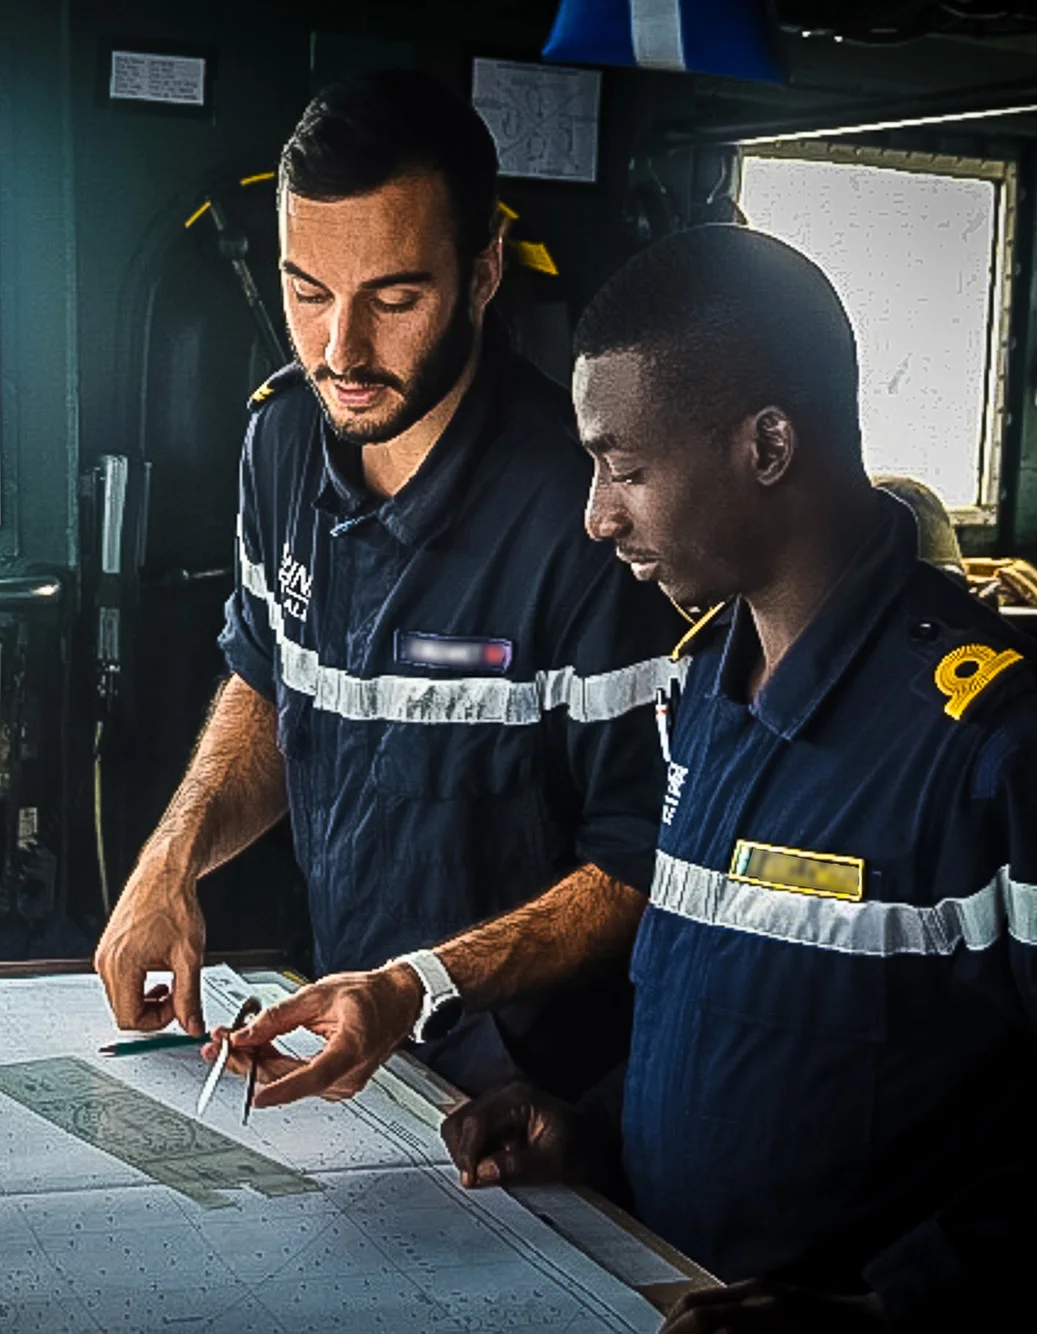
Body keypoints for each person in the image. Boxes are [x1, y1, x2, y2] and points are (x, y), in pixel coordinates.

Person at [439, 225, 1037, 1331]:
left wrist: (876, 1310)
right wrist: (594, 1127)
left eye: (623, 467)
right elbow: (730, 1020)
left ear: (766, 447)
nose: (595, 514)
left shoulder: (1014, 752)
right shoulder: (706, 696)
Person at [93, 70, 685, 1101]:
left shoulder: (588, 505)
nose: (338, 349)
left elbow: (650, 859)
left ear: (485, 269)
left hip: (531, 1103)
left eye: (394, 298)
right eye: (306, 291)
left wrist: (420, 983)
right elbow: (270, 683)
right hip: (349, 1058)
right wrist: (172, 857)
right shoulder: (277, 439)